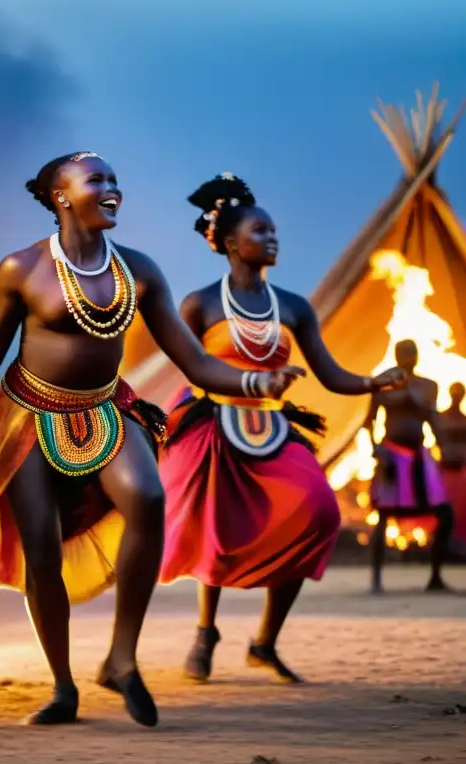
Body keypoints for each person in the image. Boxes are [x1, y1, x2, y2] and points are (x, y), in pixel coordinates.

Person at [0, 152, 305, 728]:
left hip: (109, 410)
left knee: (149, 498)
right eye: (97, 181)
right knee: (42, 556)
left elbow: (191, 359)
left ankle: (121, 658)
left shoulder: (138, 271)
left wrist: (255, 380)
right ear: (62, 196)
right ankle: (63, 686)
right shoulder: (21, 268)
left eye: (115, 180)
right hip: (28, 415)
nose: (112, 189)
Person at [157, 173, 406, 685]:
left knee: (316, 512)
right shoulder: (199, 305)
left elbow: (330, 373)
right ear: (230, 243)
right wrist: (250, 381)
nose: (273, 239)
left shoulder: (294, 306)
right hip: (213, 425)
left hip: (272, 428)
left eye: (274, 232)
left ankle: (265, 641)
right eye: (261, 231)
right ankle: (206, 632)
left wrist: (372, 381)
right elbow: (194, 367)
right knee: (217, 528)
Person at [367, 339, 454, 592]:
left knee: (445, 514)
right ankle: (376, 579)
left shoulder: (428, 386)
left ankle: (435, 576)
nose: (408, 358)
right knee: (382, 516)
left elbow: (432, 417)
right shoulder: (382, 385)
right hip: (392, 457)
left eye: (412, 353)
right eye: (403, 353)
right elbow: (369, 421)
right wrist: (375, 448)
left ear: (417, 356)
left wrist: (444, 446)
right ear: (395, 355)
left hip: (420, 456)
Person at [437, 382, 466, 554]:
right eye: (454, 393)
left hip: (460, 472)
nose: (456, 396)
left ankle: (458, 547)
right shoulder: (440, 418)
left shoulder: (464, 421)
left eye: (459, 394)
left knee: (461, 512)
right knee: (443, 511)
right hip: (443, 472)